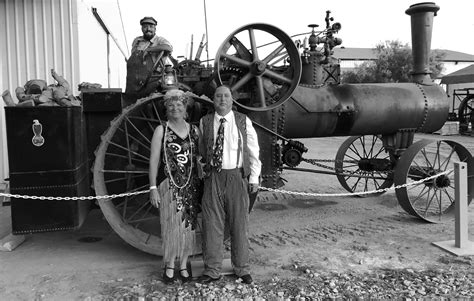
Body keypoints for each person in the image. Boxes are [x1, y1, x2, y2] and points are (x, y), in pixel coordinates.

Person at [198, 85, 261, 284]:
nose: (222, 99)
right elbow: (200, 150)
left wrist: (253, 178)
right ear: (213, 100)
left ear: (232, 100)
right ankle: (212, 270)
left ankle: (242, 268)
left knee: (239, 224)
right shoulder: (205, 121)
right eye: (218, 96)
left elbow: (253, 150)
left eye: (226, 96)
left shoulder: (243, 120)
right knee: (211, 224)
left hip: (237, 177)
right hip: (213, 178)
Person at [149, 89, 202, 284]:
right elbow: (154, 159)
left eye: (179, 105)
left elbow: (199, 156)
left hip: (190, 186)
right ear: (167, 109)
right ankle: (170, 264)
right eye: (171, 105)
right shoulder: (161, 130)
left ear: (185, 108)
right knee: (171, 226)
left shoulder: (195, 130)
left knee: (188, 225)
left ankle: (184, 264)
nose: (175, 108)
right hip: (168, 185)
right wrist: (152, 187)